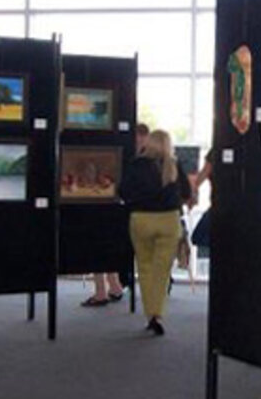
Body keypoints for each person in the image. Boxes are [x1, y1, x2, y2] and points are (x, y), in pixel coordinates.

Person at [120, 129, 191, 336]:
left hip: (141, 220)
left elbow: (122, 191)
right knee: (161, 271)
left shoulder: (135, 165)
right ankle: (156, 314)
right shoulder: (174, 165)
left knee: (145, 266)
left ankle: (150, 313)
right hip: (169, 221)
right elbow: (186, 193)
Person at [79, 124, 152, 307]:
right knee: (105, 246)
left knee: (100, 244)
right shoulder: (145, 158)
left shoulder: (134, 159)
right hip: (125, 209)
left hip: (118, 208)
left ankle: (102, 291)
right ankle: (113, 286)